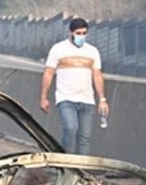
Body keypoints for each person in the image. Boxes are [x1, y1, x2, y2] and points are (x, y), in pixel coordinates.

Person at [39, 17, 109, 155]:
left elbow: (97, 75)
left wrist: (102, 100)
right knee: (70, 128)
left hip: (87, 100)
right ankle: (66, 164)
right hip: (66, 98)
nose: (81, 37)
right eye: (78, 33)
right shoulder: (58, 49)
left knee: (84, 137)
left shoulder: (92, 51)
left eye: (84, 33)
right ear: (70, 33)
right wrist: (43, 97)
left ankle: (80, 170)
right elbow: (48, 73)